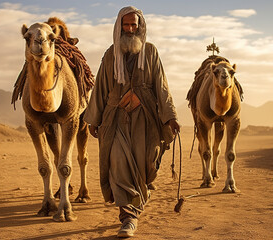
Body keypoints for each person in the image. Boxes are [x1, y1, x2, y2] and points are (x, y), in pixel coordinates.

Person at [84, 6, 180, 238]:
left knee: (146, 164)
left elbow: (161, 86)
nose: (129, 29)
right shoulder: (110, 54)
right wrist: (93, 119)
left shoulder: (151, 52)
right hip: (115, 119)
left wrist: (171, 116)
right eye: (125, 25)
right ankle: (128, 217)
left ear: (140, 26)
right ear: (119, 26)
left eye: (133, 25)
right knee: (117, 162)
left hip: (144, 120)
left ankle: (137, 199)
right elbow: (101, 89)